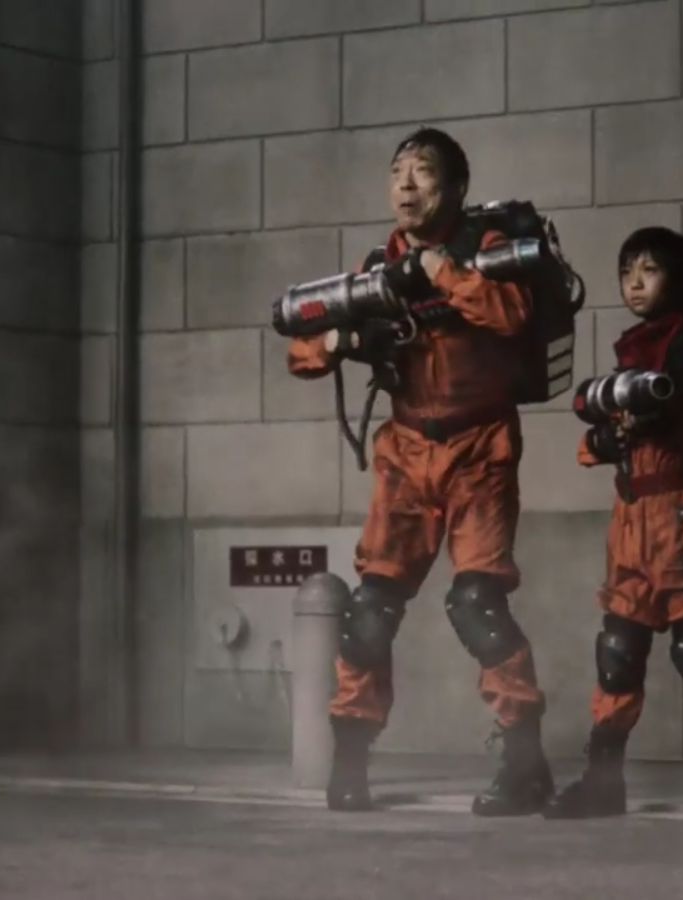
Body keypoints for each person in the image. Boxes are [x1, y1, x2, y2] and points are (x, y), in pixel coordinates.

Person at [286, 127, 553, 817]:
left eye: (423, 172)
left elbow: (512, 314)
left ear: (455, 188)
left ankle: (526, 763)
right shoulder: (378, 264)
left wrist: (439, 271)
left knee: (477, 605)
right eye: (397, 171)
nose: (406, 184)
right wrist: (344, 337)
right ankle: (350, 758)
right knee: (369, 613)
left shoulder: (487, 249)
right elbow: (301, 349)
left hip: (479, 449)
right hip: (405, 452)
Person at [542, 226, 683, 826]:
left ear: (678, 279)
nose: (634, 283)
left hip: (682, 516)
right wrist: (605, 442)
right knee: (618, 651)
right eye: (626, 271)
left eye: (649, 270)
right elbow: (603, 435)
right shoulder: (633, 350)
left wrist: (672, 427)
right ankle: (603, 783)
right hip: (631, 515)